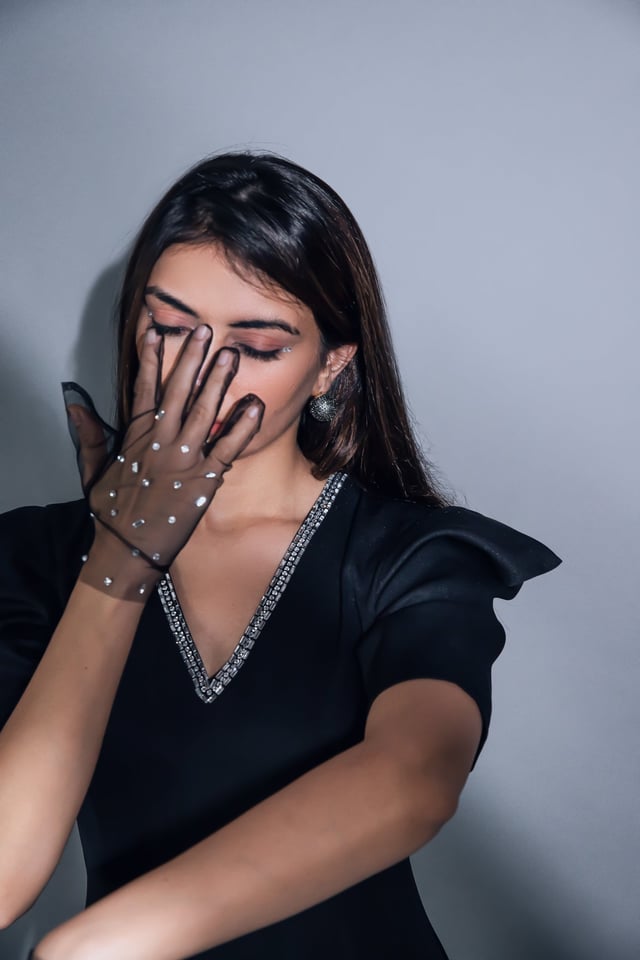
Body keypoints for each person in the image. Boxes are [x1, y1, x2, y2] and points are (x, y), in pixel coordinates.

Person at [0, 152, 561, 960]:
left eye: (256, 345)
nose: (199, 373)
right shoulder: (39, 558)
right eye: (168, 329)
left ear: (331, 363)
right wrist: (120, 557)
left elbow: (417, 777)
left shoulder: (409, 556)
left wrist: (101, 942)